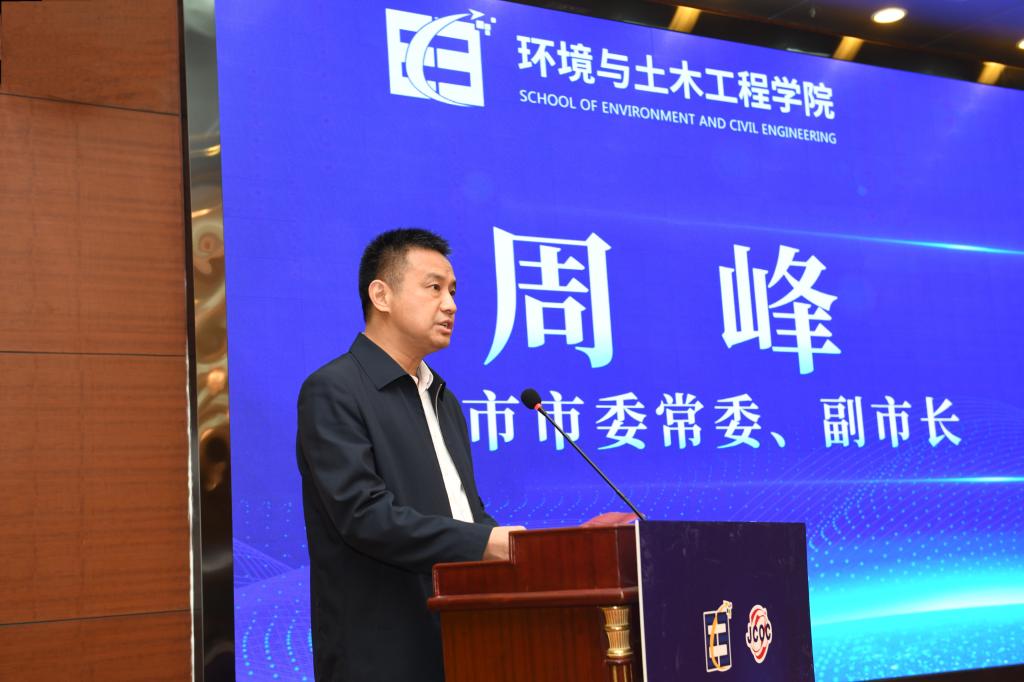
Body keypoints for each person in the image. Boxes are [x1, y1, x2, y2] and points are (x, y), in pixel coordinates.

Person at [296, 228, 524, 682]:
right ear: (381, 295)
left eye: (453, 291)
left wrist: (521, 546)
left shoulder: (442, 398)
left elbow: (463, 511)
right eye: (434, 287)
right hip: (382, 653)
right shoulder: (333, 390)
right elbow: (363, 516)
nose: (450, 304)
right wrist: (485, 543)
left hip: (463, 637)